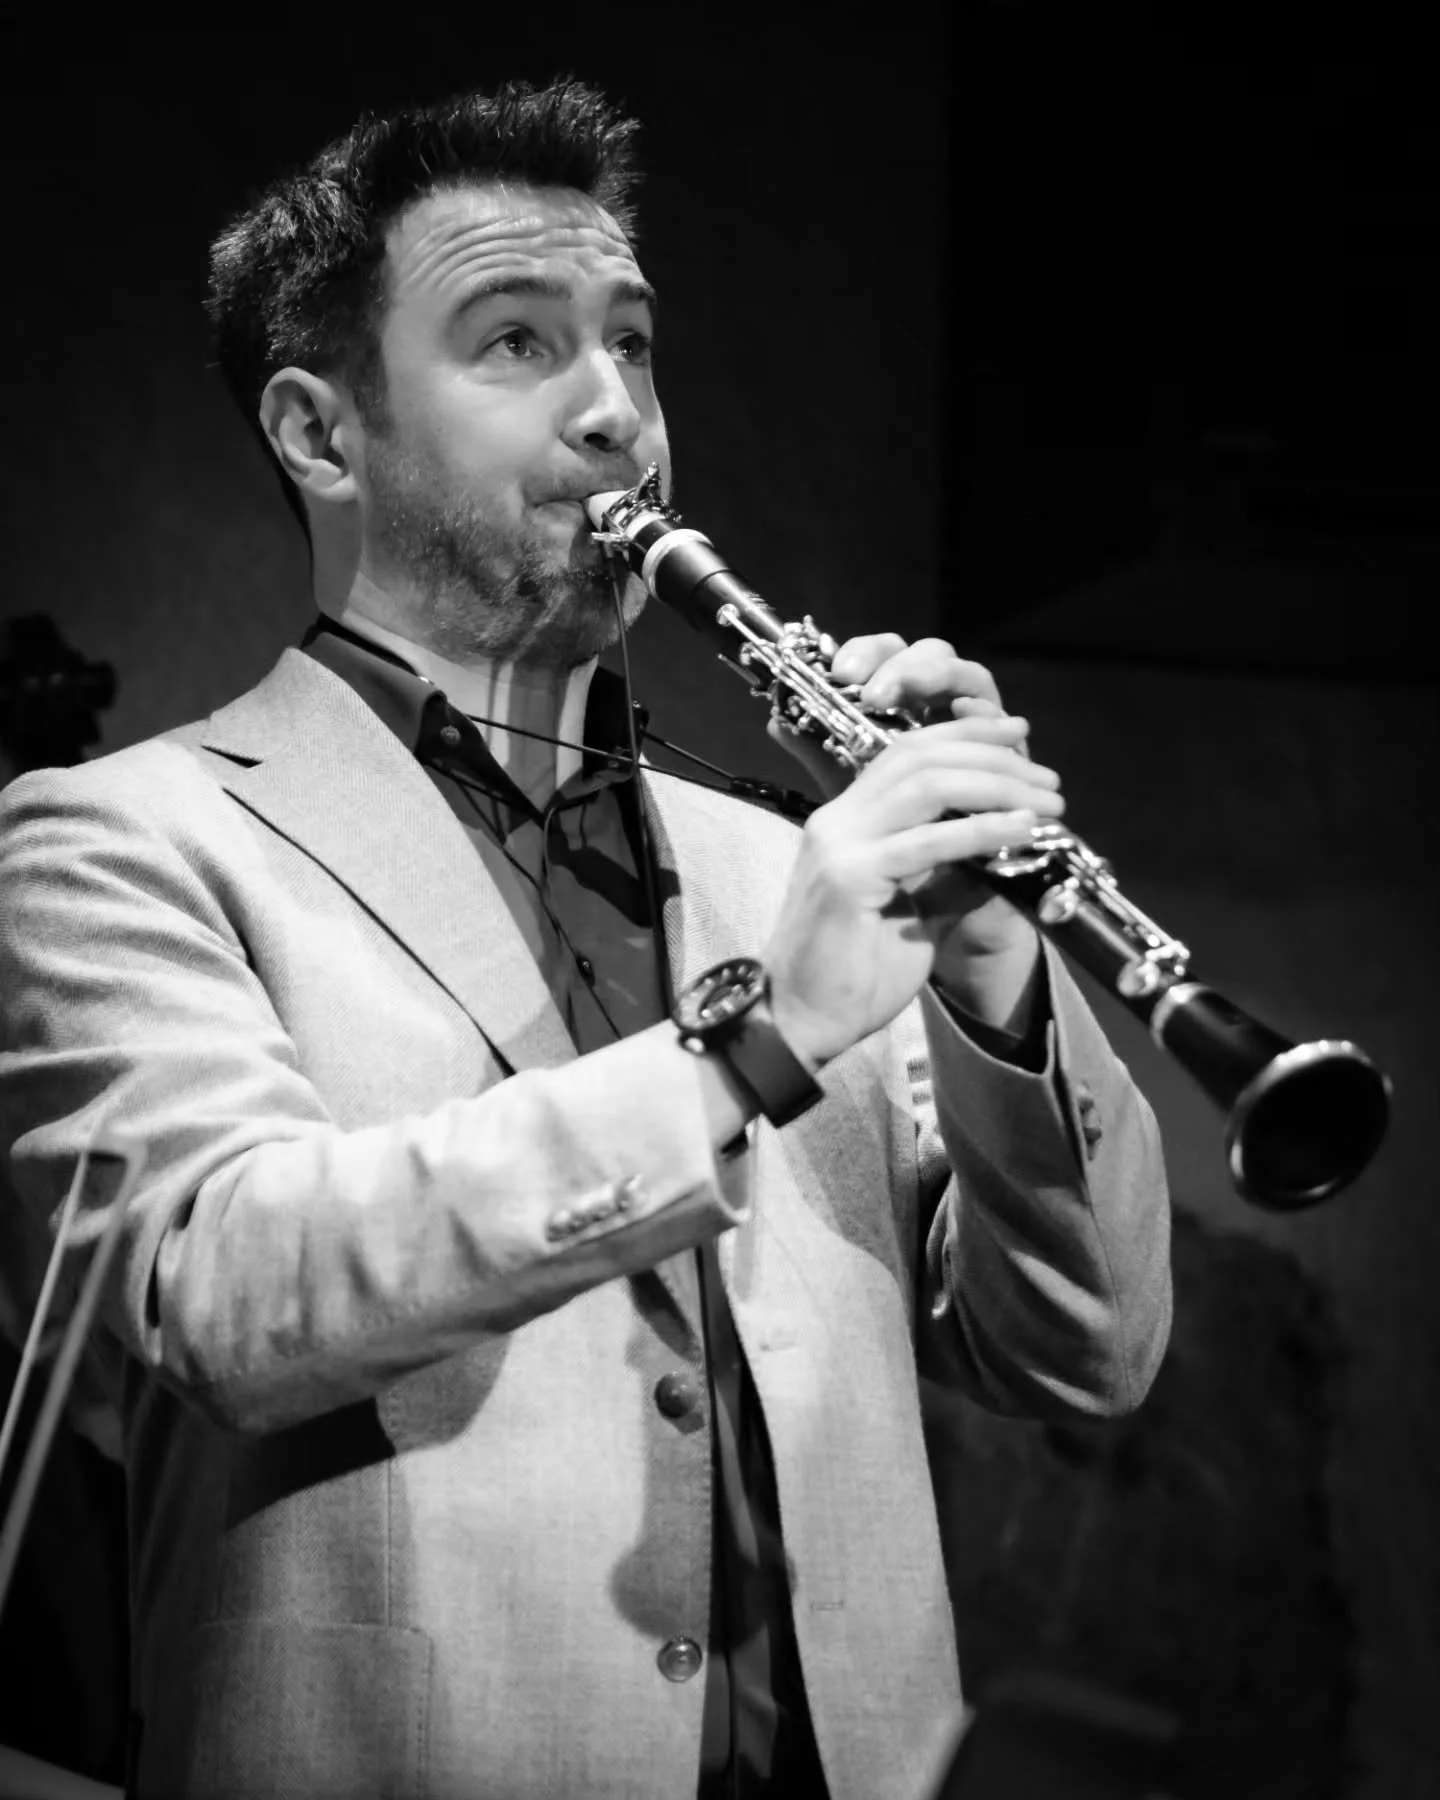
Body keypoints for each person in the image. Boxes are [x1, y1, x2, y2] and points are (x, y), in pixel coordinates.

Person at [0, 78, 1171, 1800]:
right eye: (517, 343)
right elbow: (225, 1295)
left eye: (630, 340)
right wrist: (752, 1044)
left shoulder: (788, 863)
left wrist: (999, 973)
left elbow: (1087, 1349)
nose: (620, 411)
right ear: (320, 435)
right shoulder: (117, 836)